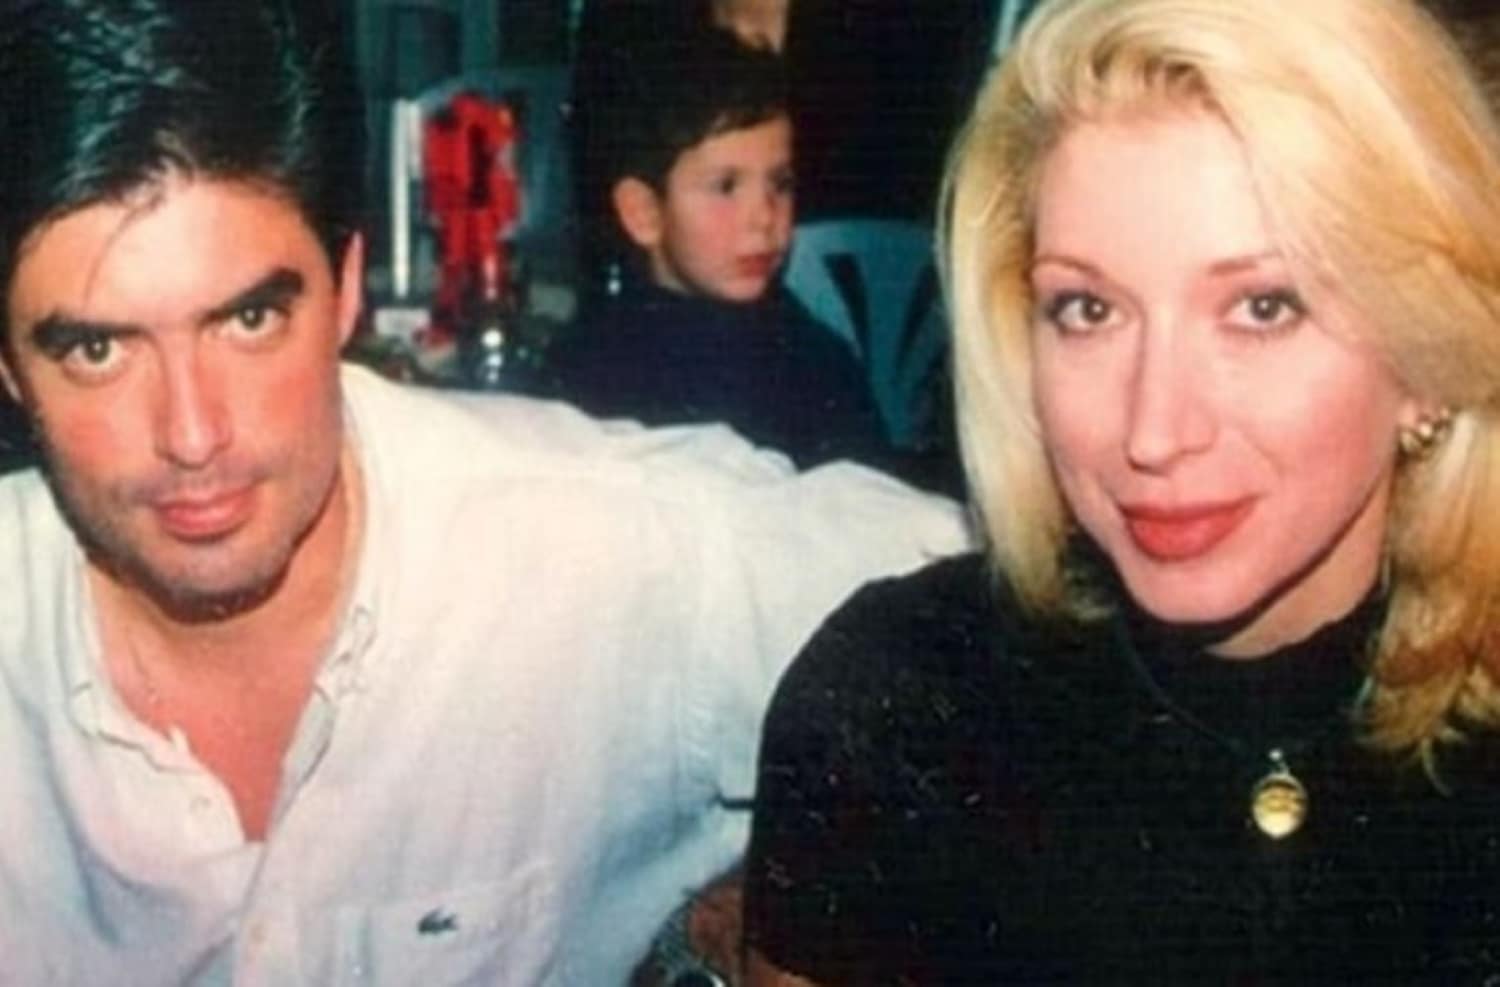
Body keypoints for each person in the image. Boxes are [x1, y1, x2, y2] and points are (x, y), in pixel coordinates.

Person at [0, 2, 969, 984]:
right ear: (8, 363)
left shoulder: (598, 555)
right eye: (97, 348)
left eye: (250, 319)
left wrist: (798, 903)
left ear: (346, 288)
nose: (192, 433)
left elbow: (1012, 603)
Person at [740, 0, 1500, 981]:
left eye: (1262, 307)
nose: (1152, 430)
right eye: (1088, 309)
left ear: (1427, 351)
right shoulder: (898, 714)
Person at [550, 25, 893, 474]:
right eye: (726, 186)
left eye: (780, 183)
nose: (764, 216)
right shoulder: (591, 368)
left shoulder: (815, 359)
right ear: (644, 213)